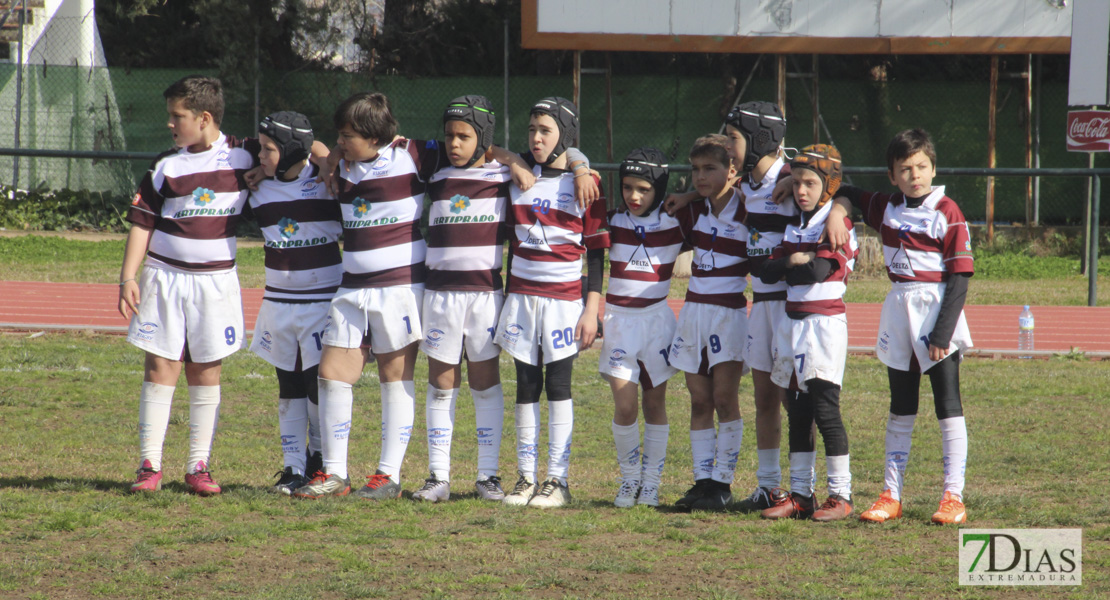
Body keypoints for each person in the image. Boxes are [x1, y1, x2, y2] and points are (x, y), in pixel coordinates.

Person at [295, 92, 534, 501]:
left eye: (348, 136)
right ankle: (334, 473)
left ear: (373, 136)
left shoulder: (417, 155)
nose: (341, 141)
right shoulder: (343, 160)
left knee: (395, 376)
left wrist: (516, 161)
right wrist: (332, 153)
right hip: (351, 286)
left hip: (401, 286)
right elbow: (313, 148)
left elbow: (485, 146)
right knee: (331, 373)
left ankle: (387, 475)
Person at [826, 129, 974, 525]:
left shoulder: (947, 210)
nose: (914, 175)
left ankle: (953, 496)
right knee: (901, 406)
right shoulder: (886, 207)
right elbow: (851, 193)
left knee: (947, 405)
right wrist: (839, 210)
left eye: (921, 167)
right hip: (898, 309)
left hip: (936, 310)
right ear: (892, 175)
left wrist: (942, 333)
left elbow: (960, 278)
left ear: (933, 168)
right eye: (905, 169)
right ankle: (892, 494)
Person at [119, 75, 255, 496]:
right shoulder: (166, 166)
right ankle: (149, 465)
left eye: (177, 117)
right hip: (165, 279)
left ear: (205, 117)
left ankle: (198, 465)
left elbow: (304, 152)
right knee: (161, 366)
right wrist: (128, 277)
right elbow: (142, 224)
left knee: (205, 368)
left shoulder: (246, 156)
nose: (170, 125)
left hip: (215, 283)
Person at [497, 97, 610, 508]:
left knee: (558, 385)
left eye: (546, 130)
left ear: (565, 134)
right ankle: (526, 477)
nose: (537, 138)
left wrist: (592, 308)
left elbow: (596, 253)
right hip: (522, 300)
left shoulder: (587, 184)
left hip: (564, 303)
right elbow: (486, 149)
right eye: (531, 130)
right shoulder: (517, 176)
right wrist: (513, 159)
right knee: (526, 385)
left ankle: (557, 481)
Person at [412, 95, 513, 502]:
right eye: (450, 135)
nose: (454, 144)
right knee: (441, 384)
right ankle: (438, 477)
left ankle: (488, 476)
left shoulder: (502, 176)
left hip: (485, 297)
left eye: (465, 137)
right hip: (440, 297)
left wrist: (521, 163)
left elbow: (563, 154)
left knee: (485, 384)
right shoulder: (433, 171)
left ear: (483, 138)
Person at [758, 144, 859, 522]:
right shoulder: (795, 223)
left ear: (830, 186)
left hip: (823, 326)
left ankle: (841, 495)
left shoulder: (837, 223)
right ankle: (801, 494)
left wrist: (789, 265)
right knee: (797, 411)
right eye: (796, 182)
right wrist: (791, 260)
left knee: (825, 409)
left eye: (811, 183)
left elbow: (818, 272)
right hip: (791, 322)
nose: (801, 191)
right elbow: (766, 271)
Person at [247, 111, 342, 495]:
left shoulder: (327, 182)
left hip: (322, 302)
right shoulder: (256, 186)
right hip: (278, 303)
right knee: (287, 384)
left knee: (317, 383)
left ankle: (319, 459)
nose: (260, 156)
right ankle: (293, 466)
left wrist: (323, 158)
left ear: (289, 151)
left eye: (268, 149)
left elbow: (328, 150)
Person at [601, 148, 690, 508]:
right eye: (627, 187)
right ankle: (629, 479)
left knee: (655, 403)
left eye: (644, 189)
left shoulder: (676, 224)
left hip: (656, 322)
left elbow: (720, 192)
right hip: (619, 323)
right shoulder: (611, 222)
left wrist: (688, 195)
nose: (634, 196)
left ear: (660, 189)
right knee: (625, 407)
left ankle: (651, 483)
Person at [723, 101, 799, 512]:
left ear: (758, 140)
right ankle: (770, 487)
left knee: (797, 398)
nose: (728, 147)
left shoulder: (790, 176)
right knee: (765, 398)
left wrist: (840, 209)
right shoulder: (747, 183)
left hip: (792, 306)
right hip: (761, 305)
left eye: (734, 138)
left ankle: (805, 489)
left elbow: (835, 189)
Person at [669, 134, 749, 512]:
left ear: (732, 170)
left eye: (710, 169)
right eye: (696, 169)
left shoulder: (748, 208)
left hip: (728, 315)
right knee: (699, 401)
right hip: (693, 313)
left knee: (723, 398)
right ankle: (702, 482)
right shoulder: (693, 210)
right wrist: (688, 197)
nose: (700, 177)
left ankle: (722, 484)